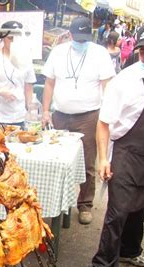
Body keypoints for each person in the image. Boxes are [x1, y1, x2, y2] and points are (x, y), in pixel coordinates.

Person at [85, 21, 144, 267]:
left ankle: (130, 250)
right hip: (127, 153)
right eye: (143, 50)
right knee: (118, 213)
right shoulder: (126, 81)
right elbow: (104, 123)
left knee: (142, 205)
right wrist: (103, 158)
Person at [42, 16, 115, 225]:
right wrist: (45, 111)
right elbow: (49, 83)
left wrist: (107, 116)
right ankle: (54, 202)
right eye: (78, 38)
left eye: (85, 38)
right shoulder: (58, 52)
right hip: (61, 114)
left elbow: (106, 85)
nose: (81, 42)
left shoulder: (99, 53)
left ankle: (85, 204)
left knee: (88, 162)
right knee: (56, 159)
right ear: (70, 34)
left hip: (89, 116)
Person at [0, 21, 36, 129]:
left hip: (18, 116)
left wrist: (31, 110)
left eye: (17, 38)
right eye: (10, 38)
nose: (13, 42)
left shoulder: (26, 58)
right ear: (3, 38)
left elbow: (29, 86)